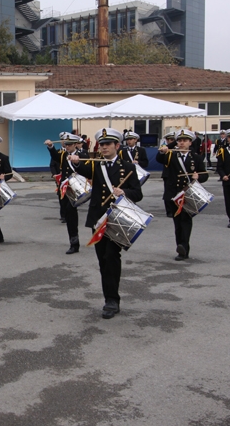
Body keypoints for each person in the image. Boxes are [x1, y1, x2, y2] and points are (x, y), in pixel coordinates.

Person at [69, 128, 143, 319]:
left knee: (111, 257)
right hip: (98, 219)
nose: (103, 147)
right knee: (103, 260)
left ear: (117, 146)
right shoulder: (95, 165)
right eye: (101, 144)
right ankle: (109, 296)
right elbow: (80, 167)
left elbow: (138, 194)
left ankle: (112, 300)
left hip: (117, 220)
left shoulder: (128, 167)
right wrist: (74, 159)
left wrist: (124, 192)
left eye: (107, 144)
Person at [156, 129, 209, 261]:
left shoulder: (195, 158)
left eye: (184, 141)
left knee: (186, 221)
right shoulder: (170, 155)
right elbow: (159, 157)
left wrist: (198, 177)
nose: (181, 143)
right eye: (179, 141)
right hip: (174, 194)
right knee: (177, 223)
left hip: (188, 194)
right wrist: (166, 147)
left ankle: (184, 248)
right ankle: (180, 245)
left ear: (190, 143)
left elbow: (205, 174)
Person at [45, 132, 89, 254]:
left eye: (70, 144)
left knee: (73, 214)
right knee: (70, 216)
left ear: (75, 144)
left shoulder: (83, 154)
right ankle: (74, 242)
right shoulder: (63, 154)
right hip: (66, 188)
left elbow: (88, 169)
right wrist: (50, 147)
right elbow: (54, 156)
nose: (67, 147)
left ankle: (76, 243)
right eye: (66, 144)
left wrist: (77, 162)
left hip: (79, 187)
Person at [161, 131, 176, 217]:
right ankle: (169, 210)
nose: (171, 141)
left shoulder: (178, 148)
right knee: (168, 193)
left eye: (173, 140)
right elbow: (160, 157)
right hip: (168, 173)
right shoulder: (164, 148)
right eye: (170, 140)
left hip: (177, 173)